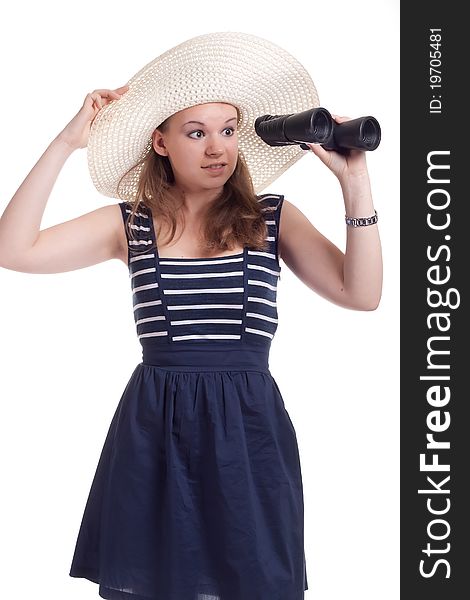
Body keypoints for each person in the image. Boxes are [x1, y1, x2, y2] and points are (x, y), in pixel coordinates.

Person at [0, 31, 382, 600]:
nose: (218, 149)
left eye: (228, 131)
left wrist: (355, 182)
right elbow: (13, 249)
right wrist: (65, 142)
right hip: (156, 428)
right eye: (196, 133)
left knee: (257, 581)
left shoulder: (272, 218)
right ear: (159, 141)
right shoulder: (128, 225)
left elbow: (362, 294)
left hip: (250, 431)